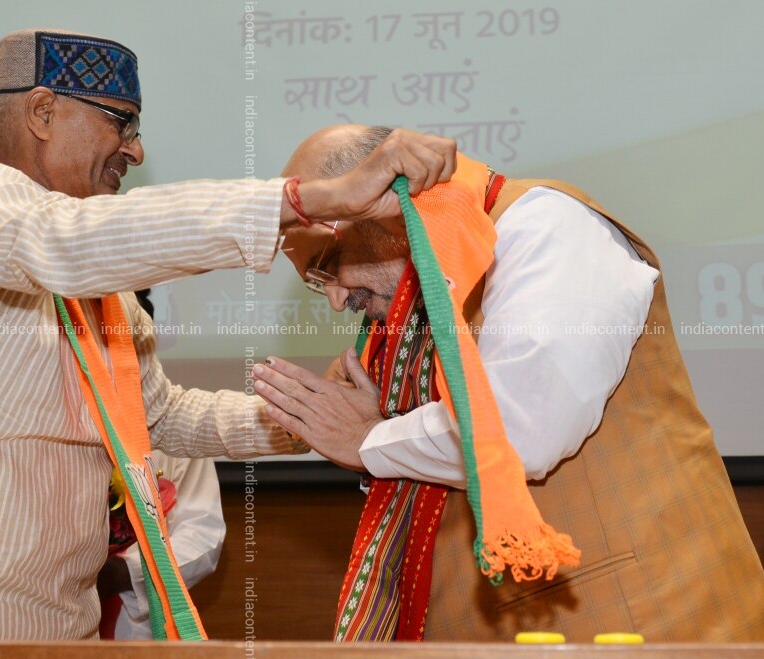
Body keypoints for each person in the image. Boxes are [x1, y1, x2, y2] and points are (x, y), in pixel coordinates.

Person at [0, 30, 457, 641]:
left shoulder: (105, 293)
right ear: (43, 112)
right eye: (122, 122)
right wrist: (310, 200)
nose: (136, 150)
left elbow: (161, 416)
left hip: (59, 631)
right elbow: (63, 242)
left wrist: (309, 417)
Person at [253, 124, 764, 642]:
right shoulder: (418, 310)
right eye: (316, 285)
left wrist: (369, 438)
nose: (337, 300)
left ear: (378, 201)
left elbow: (523, 429)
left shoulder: (544, 226)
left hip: (638, 622)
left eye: (326, 264)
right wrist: (374, 434)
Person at [97, 450, 225, 639]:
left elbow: (202, 533)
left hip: (138, 624)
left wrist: (125, 571)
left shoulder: (182, 435)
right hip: (59, 613)